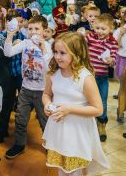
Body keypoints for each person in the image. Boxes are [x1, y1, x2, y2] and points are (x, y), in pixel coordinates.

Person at [42, 32, 110, 176]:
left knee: (75, 169)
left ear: (76, 53)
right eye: (55, 52)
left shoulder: (85, 78)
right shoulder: (53, 74)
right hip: (58, 127)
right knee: (61, 166)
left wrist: (69, 109)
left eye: (62, 53)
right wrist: (47, 104)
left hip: (77, 130)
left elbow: (98, 109)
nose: (57, 56)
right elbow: (47, 94)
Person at [4, 15, 52, 159]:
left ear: (44, 31)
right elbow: (8, 52)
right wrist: (9, 36)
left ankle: (50, 145)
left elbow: (48, 67)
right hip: (25, 89)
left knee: (45, 120)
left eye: (37, 29)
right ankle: (19, 144)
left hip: (42, 91)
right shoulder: (25, 43)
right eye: (30, 29)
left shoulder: (49, 47)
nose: (33, 32)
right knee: (20, 118)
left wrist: (42, 46)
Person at [85, 14, 118, 142]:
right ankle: (88, 124)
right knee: (87, 100)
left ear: (111, 28)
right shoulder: (90, 37)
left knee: (102, 101)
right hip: (88, 76)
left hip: (102, 77)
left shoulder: (113, 43)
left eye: (103, 29)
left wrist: (111, 61)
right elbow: (80, 43)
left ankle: (101, 124)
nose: (99, 31)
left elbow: (114, 59)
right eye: (97, 28)